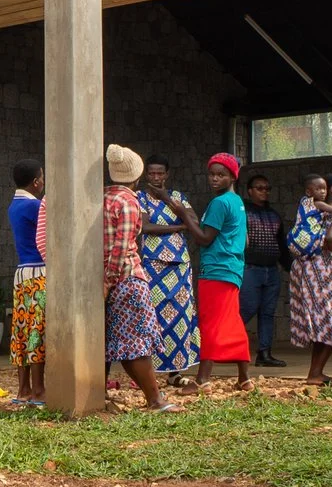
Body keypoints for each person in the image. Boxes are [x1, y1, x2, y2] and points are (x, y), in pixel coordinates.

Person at [102, 146, 174, 413]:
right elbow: (122, 247)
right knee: (136, 343)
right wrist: (110, 280)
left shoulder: (102, 198)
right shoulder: (129, 201)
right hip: (127, 278)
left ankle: (96, 394)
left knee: (105, 342)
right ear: (137, 175)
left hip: (105, 279)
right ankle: (155, 399)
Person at [285, 177, 332, 382]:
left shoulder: (317, 210)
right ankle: (315, 372)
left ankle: (315, 372)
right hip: (321, 272)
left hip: (307, 269)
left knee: (324, 323)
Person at [136, 155, 201, 385]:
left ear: (167, 174)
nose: (155, 177)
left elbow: (193, 220)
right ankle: (148, 373)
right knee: (153, 317)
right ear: (146, 175)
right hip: (153, 265)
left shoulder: (177, 197)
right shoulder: (140, 198)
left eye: (159, 173)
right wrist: (179, 226)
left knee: (180, 316)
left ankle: (176, 372)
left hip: (180, 266)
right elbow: (145, 227)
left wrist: (166, 198)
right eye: (151, 173)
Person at [190, 154, 253, 387]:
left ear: (232, 177)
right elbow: (245, 240)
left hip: (216, 270)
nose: (214, 179)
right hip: (233, 270)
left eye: (221, 175)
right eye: (212, 174)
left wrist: (186, 217)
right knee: (231, 321)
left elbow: (205, 238)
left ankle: (202, 379)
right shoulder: (238, 202)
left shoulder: (220, 203)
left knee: (210, 322)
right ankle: (244, 378)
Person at [7, 160, 48, 406]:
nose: (43, 182)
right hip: (39, 274)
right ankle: (39, 390)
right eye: (41, 178)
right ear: (35, 182)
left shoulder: (14, 205)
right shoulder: (36, 206)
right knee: (36, 331)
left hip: (22, 274)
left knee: (22, 329)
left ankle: (23, 389)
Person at [239, 172, 287, 367]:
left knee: (268, 313)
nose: (264, 192)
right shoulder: (244, 212)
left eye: (267, 189)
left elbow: (282, 244)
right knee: (246, 309)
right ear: (250, 191)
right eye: (259, 188)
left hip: (271, 270)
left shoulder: (274, 215)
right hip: (250, 269)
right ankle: (225, 346)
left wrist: (291, 267)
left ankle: (264, 354)